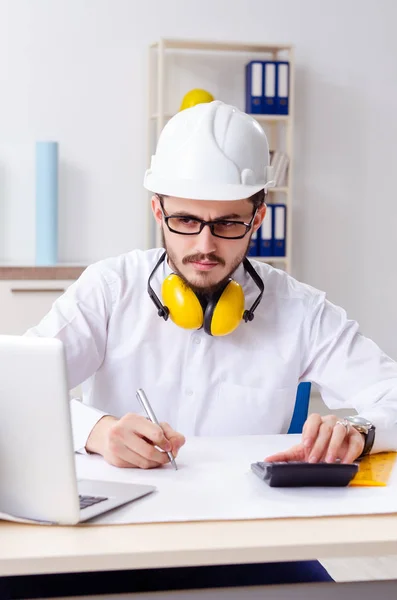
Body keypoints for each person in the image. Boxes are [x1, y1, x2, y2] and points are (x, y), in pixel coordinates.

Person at [25, 100, 397, 587]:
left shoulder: (302, 310)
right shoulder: (109, 288)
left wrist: (361, 431)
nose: (204, 245)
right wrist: (95, 431)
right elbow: (17, 390)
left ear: (258, 217)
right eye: (184, 221)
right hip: (113, 540)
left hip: (248, 543)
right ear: (157, 210)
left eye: (227, 224)